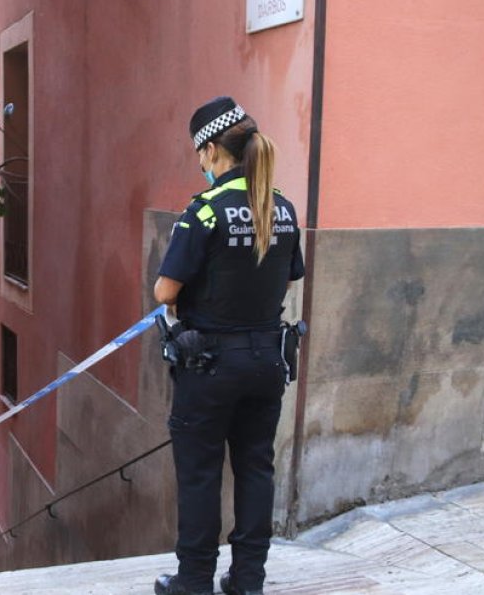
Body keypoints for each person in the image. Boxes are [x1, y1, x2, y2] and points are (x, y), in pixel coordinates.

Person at [152, 97, 305, 595]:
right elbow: (285, 282)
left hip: (210, 364)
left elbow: (165, 291)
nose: (200, 163)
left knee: (200, 474)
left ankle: (194, 580)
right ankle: (247, 579)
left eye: (200, 154)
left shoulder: (205, 212)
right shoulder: (282, 207)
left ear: (212, 149)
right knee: (256, 466)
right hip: (266, 358)